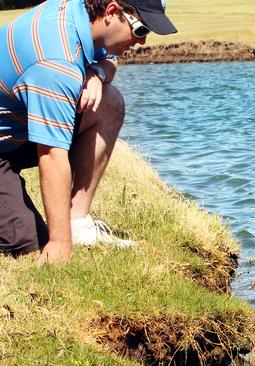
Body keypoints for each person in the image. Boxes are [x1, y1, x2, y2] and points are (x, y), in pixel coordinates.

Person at [0, 0, 177, 264]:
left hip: (16, 133)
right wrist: (60, 244)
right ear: (112, 12)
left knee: (108, 101)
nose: (141, 42)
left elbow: (110, 59)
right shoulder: (56, 63)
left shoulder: (80, 13)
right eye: (140, 31)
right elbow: (51, 154)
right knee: (32, 245)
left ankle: (77, 223)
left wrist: (96, 72)